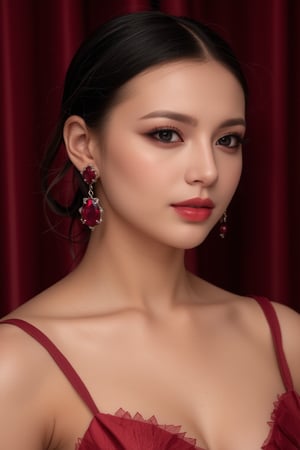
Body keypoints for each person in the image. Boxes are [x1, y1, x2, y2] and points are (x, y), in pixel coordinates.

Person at [0, 10, 299, 450]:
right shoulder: (17, 366)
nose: (207, 171)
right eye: (165, 134)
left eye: (227, 139)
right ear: (84, 144)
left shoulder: (285, 337)